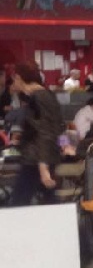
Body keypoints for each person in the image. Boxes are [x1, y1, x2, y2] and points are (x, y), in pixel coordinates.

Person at [9, 62, 62, 206]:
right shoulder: (48, 95)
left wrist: (43, 168)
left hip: (35, 160)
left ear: (19, 77)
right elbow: (58, 126)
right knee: (49, 201)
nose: (14, 82)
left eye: (14, 78)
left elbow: (44, 132)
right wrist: (65, 145)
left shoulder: (37, 98)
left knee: (19, 203)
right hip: (45, 157)